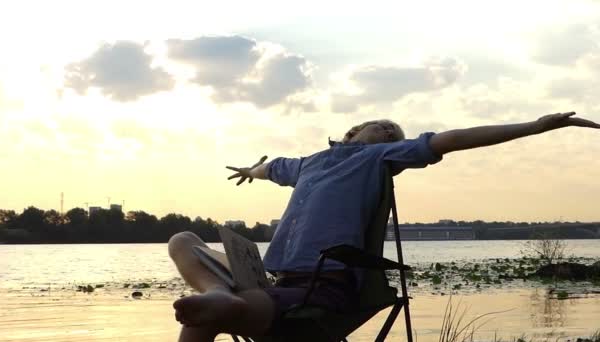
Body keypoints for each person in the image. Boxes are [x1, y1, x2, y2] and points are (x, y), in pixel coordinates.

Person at [168, 112, 599, 341]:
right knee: (183, 240)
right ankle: (220, 293)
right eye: (385, 125)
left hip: (320, 286)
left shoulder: (375, 159)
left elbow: (455, 138)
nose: (392, 132)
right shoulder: (306, 164)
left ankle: (221, 301)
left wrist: (535, 127)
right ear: (353, 130)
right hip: (267, 279)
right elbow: (270, 168)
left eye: (396, 135)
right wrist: (252, 169)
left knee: (216, 314)